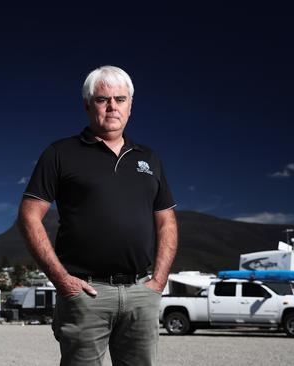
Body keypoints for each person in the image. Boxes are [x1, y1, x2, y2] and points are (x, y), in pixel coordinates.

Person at [17, 65, 178, 366]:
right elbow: (28, 216)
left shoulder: (149, 159)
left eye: (120, 98)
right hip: (86, 294)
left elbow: (167, 221)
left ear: (131, 105)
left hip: (140, 293)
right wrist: (62, 279)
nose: (112, 106)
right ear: (88, 105)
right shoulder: (60, 153)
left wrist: (158, 281)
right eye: (103, 99)